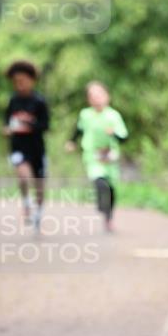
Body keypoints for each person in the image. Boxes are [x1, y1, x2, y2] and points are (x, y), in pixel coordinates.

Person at [66, 80, 128, 231]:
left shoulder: (114, 116)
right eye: (92, 96)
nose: (96, 98)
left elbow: (124, 137)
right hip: (92, 156)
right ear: (89, 99)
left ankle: (108, 217)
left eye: (99, 94)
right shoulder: (85, 115)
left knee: (111, 189)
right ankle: (101, 204)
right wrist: (71, 142)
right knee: (100, 182)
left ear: (107, 96)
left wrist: (113, 133)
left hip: (110, 156)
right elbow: (78, 130)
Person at [3, 60, 50, 231]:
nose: (19, 85)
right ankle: (25, 202)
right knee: (23, 175)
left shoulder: (39, 101)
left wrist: (29, 125)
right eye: (16, 82)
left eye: (22, 81)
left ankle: (38, 212)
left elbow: (46, 125)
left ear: (31, 80)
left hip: (36, 148)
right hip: (18, 147)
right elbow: (6, 122)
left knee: (39, 184)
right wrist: (8, 129)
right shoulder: (12, 100)